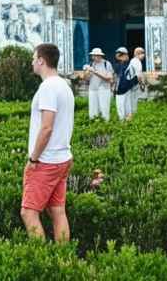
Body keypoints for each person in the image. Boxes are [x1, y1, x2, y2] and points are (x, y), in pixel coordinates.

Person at [20, 43, 75, 243]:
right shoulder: (64, 86)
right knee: (57, 210)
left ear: (41, 60)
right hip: (63, 157)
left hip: (47, 160)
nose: (32, 62)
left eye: (34, 58)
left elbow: (47, 128)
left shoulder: (48, 88)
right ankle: (63, 259)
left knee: (28, 212)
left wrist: (33, 158)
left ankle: (41, 262)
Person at [83, 48, 113, 121]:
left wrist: (95, 72)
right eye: (92, 56)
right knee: (93, 110)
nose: (93, 57)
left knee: (104, 109)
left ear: (100, 56)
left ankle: (105, 126)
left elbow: (109, 78)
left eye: (95, 55)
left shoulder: (107, 64)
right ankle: (94, 125)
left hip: (104, 89)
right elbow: (86, 79)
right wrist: (86, 72)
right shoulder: (91, 64)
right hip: (93, 89)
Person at [113, 47, 136, 121]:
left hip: (122, 89)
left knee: (122, 106)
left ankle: (123, 122)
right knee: (126, 106)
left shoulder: (123, 65)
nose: (116, 56)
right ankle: (126, 121)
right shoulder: (120, 64)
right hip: (125, 88)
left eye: (118, 54)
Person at [127, 47, 146, 119]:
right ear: (138, 54)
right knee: (133, 102)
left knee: (132, 101)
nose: (143, 55)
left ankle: (130, 117)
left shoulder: (133, 61)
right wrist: (142, 85)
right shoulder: (137, 62)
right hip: (133, 85)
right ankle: (131, 118)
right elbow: (139, 75)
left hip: (130, 84)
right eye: (142, 53)